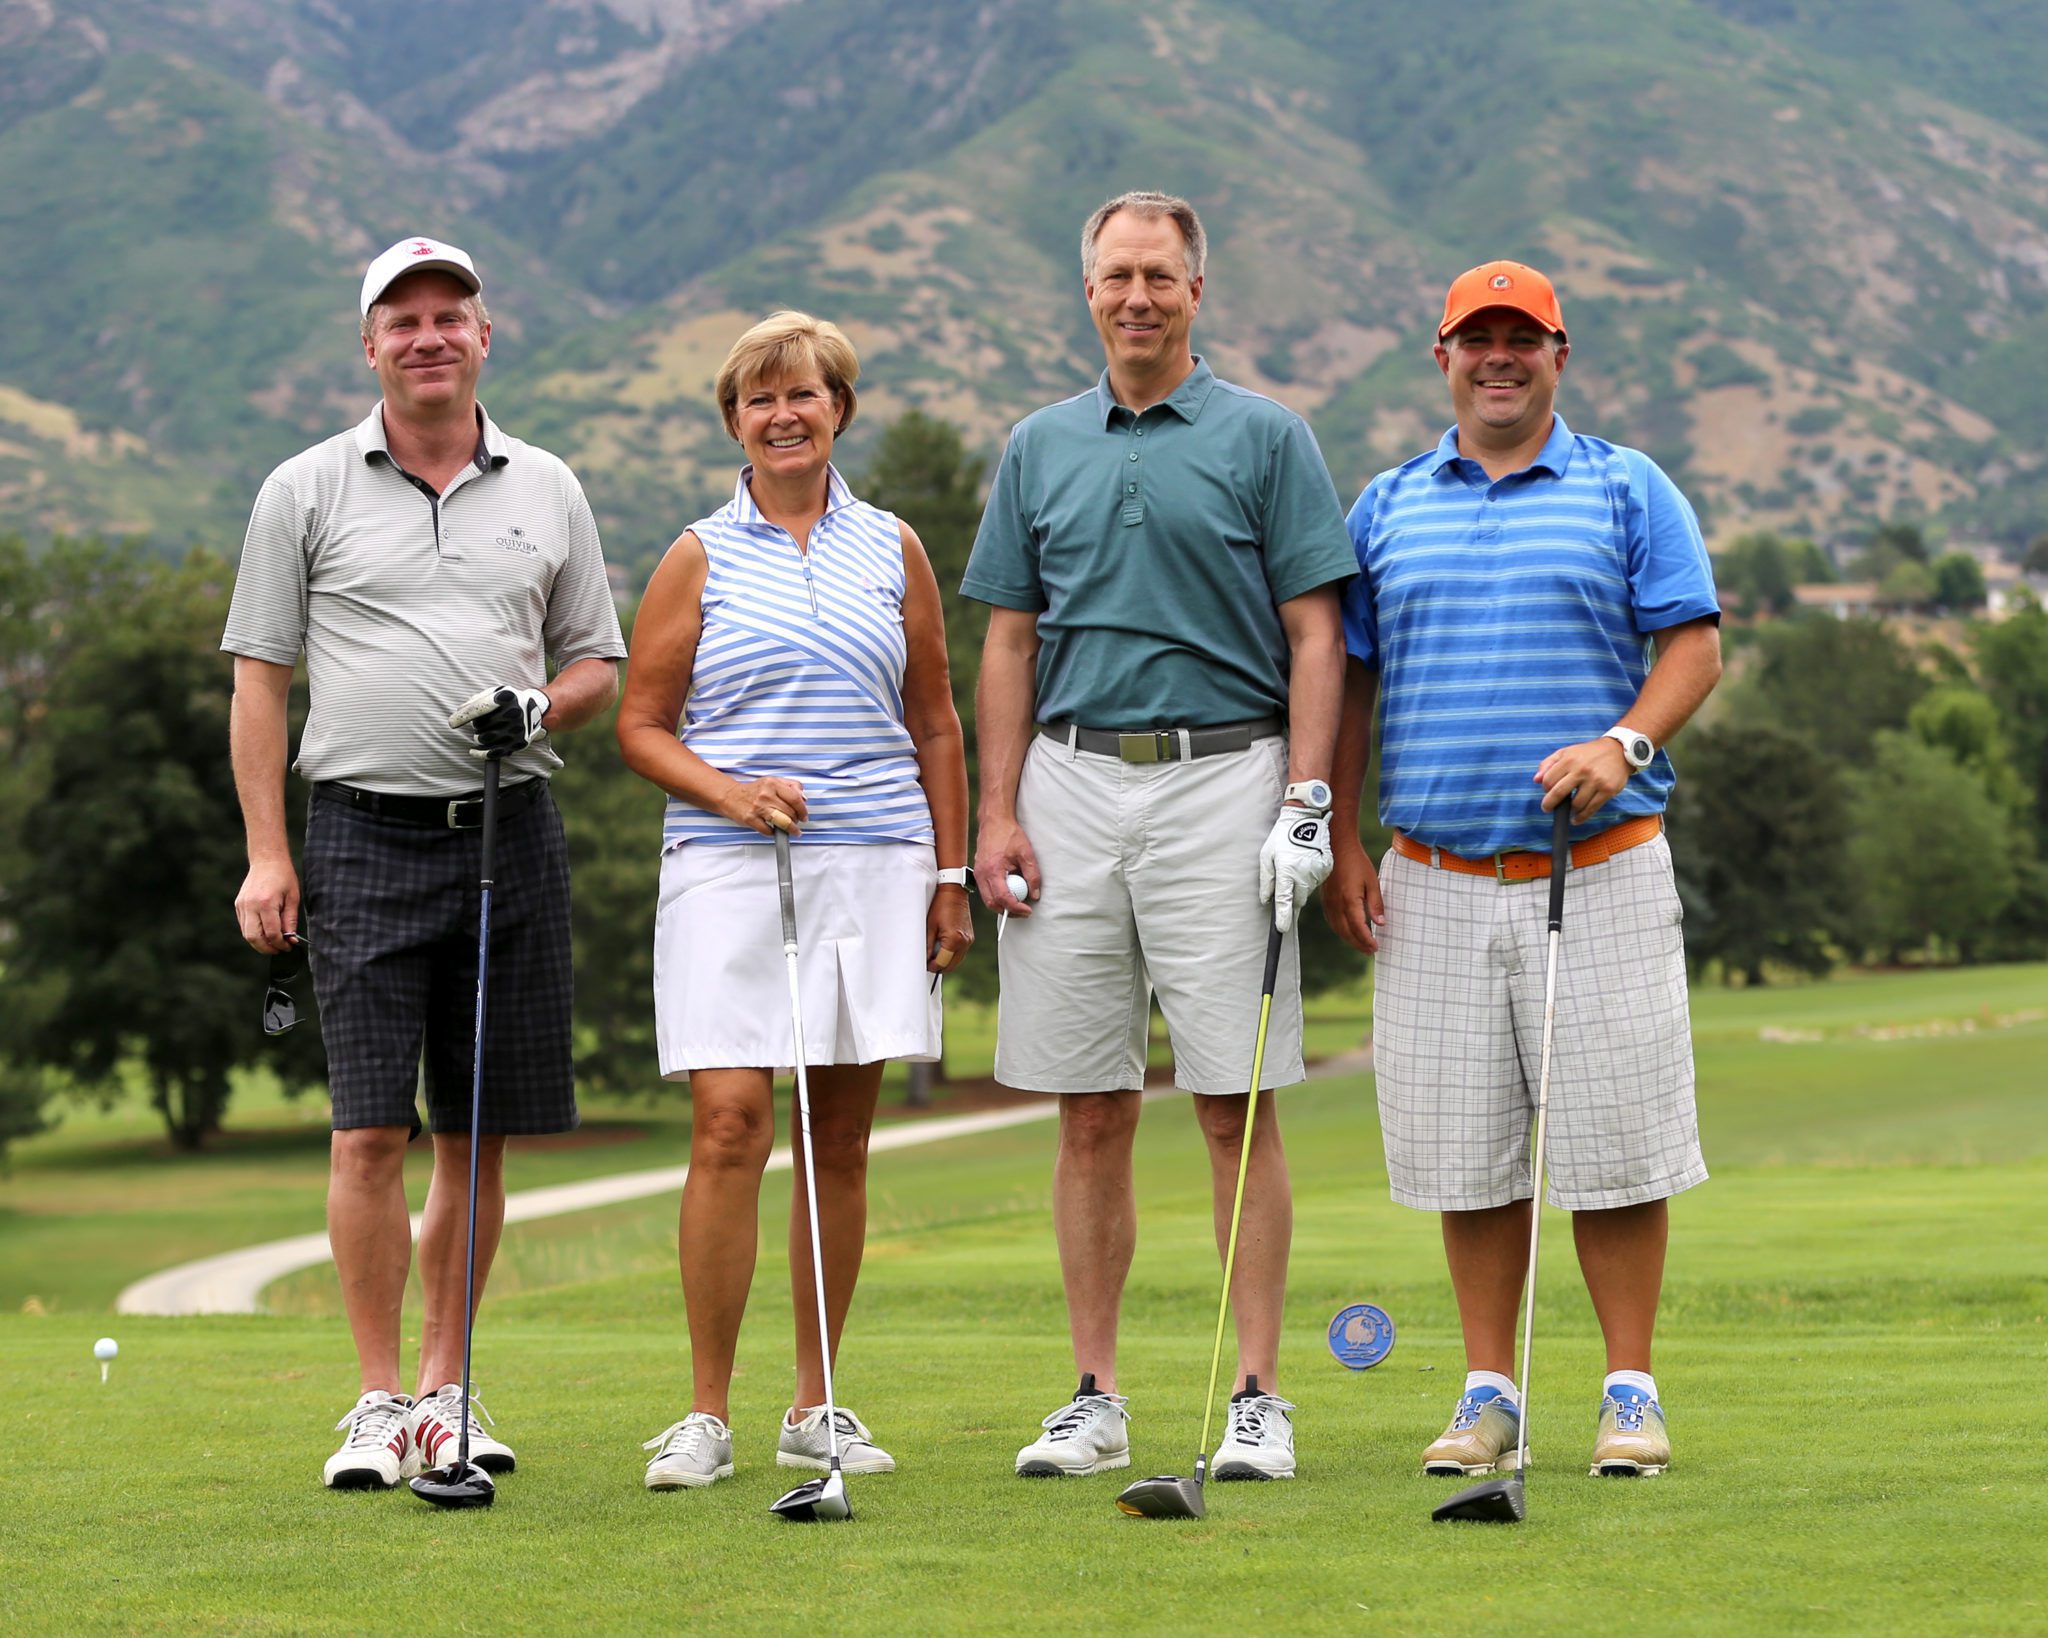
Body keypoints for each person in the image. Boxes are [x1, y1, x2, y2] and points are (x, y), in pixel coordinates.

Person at [962, 191, 1355, 1483]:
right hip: (1069, 782)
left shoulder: (1266, 435)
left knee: (1233, 1103)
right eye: (1116, 276)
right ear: (1088, 291)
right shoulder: (1038, 445)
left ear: (1196, 289)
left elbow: (1315, 633)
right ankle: (1094, 1394)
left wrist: (1307, 800)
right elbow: (1009, 639)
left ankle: (1257, 1396)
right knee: (1088, 1109)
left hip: (1226, 776)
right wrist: (995, 808)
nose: (1137, 296)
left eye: (1159, 276)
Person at [223, 235, 626, 1490]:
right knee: (365, 1134)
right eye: (402, 320)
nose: (428, 336)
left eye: (450, 315)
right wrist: (266, 855)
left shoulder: (548, 486)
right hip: (358, 832)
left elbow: (597, 664)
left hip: (508, 832)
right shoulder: (303, 488)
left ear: (484, 336)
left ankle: (447, 1392)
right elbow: (259, 681)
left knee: (476, 1135)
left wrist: (540, 706)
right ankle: (376, 1400)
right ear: (370, 347)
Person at [1322, 260, 1723, 1481]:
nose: (1497, 357)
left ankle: (1628, 1395)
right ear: (1441, 356)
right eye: (1475, 338)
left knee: (1616, 1145)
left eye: (1521, 337)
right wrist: (1340, 835)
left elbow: (1692, 647)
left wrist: (1622, 744)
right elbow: (1351, 684)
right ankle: (1487, 1395)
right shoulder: (1385, 506)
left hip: (1596, 867)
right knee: (1468, 1152)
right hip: (1430, 872)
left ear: (1558, 354)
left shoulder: (1626, 485)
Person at [616, 311, 972, 1492]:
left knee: (839, 1138)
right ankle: (704, 1413)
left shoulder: (893, 547)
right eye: (759, 399)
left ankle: (815, 1405)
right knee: (729, 1124)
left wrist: (950, 876)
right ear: (734, 421)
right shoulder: (697, 555)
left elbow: (934, 722)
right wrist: (730, 791)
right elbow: (640, 726)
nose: (783, 415)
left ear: (838, 409)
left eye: (803, 394)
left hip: (875, 857)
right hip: (726, 862)